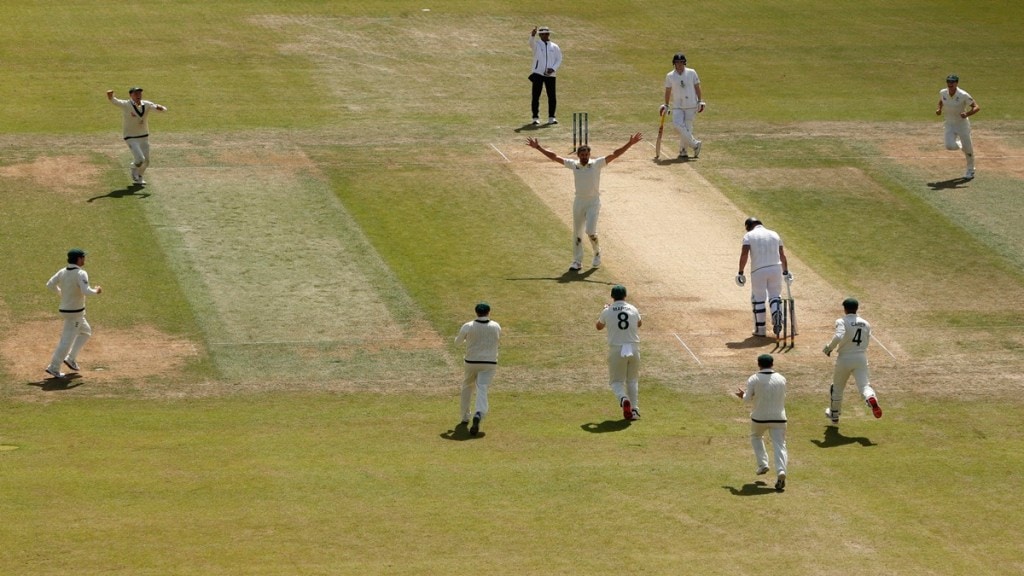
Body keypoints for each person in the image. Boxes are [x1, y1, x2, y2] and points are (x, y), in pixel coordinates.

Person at [526, 132, 643, 271]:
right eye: (582, 155)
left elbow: (615, 154)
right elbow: (554, 157)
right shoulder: (574, 165)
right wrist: (538, 147)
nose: (585, 157)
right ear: (578, 156)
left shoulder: (596, 164)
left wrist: (630, 144)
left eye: (587, 155)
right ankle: (577, 261)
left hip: (593, 202)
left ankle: (597, 252)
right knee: (577, 232)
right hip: (579, 202)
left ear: (589, 155)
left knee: (591, 231)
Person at [823, 297, 883, 424]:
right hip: (861, 358)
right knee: (864, 386)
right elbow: (867, 339)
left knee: (837, 387)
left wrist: (829, 348)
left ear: (845, 309)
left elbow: (839, 336)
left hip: (845, 358)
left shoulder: (841, 321)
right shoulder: (866, 323)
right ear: (857, 308)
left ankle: (834, 414)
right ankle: (870, 397)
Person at [44, 249, 103, 379]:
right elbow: (86, 291)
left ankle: (71, 358)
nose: (84, 259)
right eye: (83, 257)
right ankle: (53, 367)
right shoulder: (81, 273)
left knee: (86, 332)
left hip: (70, 311)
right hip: (74, 313)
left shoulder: (62, 271)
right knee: (66, 341)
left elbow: (50, 285)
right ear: (78, 259)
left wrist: (61, 293)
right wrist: (96, 291)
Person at [734, 354, 788, 492]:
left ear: (759, 364)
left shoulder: (754, 378)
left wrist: (742, 395)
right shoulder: (782, 379)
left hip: (759, 418)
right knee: (780, 445)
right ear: (772, 364)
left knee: (756, 437)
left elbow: (746, 399)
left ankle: (763, 464)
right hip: (779, 418)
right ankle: (781, 471)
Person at [736, 217, 792, 338]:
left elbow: (744, 254)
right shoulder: (774, 234)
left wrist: (740, 272)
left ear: (748, 227)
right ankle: (777, 314)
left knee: (759, 298)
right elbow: (782, 255)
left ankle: (760, 330)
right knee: (775, 295)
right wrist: (785, 271)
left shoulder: (749, 236)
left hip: (758, 270)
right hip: (776, 268)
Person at [596, 284, 642, 421]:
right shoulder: (633, 309)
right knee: (632, 380)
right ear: (625, 296)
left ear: (612, 297)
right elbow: (639, 323)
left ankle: (623, 399)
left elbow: (598, 326)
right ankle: (634, 410)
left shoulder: (608, 310)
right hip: (634, 348)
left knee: (616, 382)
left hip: (617, 349)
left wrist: (606, 311)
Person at [455, 302, 502, 436]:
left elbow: (457, 343)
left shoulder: (468, 326)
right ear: (489, 312)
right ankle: (479, 413)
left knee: (467, 386)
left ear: (476, 312)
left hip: (471, 362)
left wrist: (466, 340)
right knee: (482, 387)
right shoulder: (496, 326)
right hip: (490, 362)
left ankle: (465, 417)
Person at [107, 87, 168, 185]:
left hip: (144, 136)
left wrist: (161, 108)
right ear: (130, 95)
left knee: (146, 162)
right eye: (136, 94)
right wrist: (110, 96)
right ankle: (133, 166)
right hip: (131, 137)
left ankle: (140, 177)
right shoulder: (126, 104)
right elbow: (115, 101)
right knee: (140, 159)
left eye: (139, 93)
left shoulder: (146, 104)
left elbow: (162, 109)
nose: (138, 96)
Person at [661, 53, 705, 160]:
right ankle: (695, 144)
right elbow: (668, 90)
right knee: (677, 125)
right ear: (674, 64)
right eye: (677, 62)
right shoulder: (670, 76)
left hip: (691, 104)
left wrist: (700, 101)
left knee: (687, 128)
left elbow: (697, 86)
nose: (679, 64)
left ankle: (683, 150)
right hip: (677, 106)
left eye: (681, 62)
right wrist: (666, 104)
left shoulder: (691, 72)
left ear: (684, 63)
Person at [936, 73, 980, 180]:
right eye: (948, 82)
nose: (950, 84)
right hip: (949, 124)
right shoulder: (943, 92)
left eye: (952, 82)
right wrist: (939, 109)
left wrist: (967, 114)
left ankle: (970, 170)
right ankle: (962, 145)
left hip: (962, 125)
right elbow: (942, 100)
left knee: (969, 149)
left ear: (956, 83)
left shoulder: (963, 94)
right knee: (949, 146)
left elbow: (976, 107)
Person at [528, 26, 562, 125]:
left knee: (552, 96)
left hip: (551, 74)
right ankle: (535, 118)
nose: (544, 35)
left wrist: (553, 69)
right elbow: (530, 43)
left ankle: (552, 117)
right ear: (539, 35)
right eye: (541, 34)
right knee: (536, 96)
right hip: (538, 73)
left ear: (548, 34)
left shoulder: (554, 46)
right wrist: (532, 35)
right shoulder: (537, 44)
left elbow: (559, 59)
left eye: (546, 34)